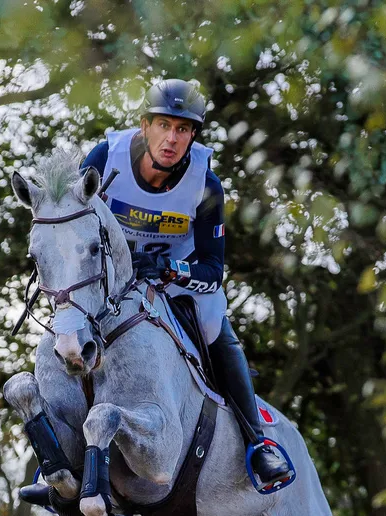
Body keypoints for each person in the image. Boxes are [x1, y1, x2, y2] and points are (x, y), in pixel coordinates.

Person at [80, 78, 292, 492]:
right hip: (110, 280)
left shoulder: (205, 184)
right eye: (164, 125)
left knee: (214, 322)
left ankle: (257, 443)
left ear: (194, 135)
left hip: (174, 278)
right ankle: (48, 459)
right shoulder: (105, 159)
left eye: (183, 129)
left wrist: (165, 267)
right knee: (69, 327)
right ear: (144, 126)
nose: (172, 139)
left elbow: (214, 270)